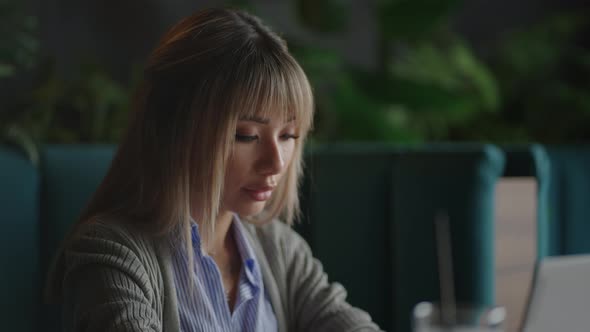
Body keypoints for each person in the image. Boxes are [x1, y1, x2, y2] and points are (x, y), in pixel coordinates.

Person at [45, 7, 382, 332]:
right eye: (246, 135)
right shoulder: (111, 254)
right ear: (175, 130)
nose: (276, 162)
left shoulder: (279, 249)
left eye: (288, 135)